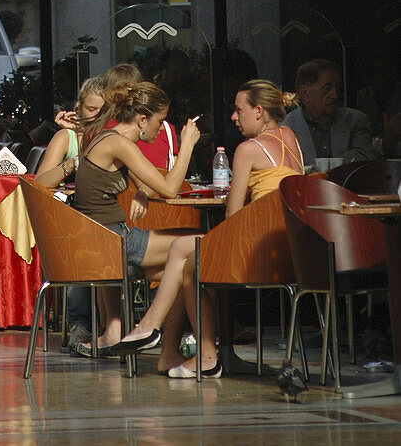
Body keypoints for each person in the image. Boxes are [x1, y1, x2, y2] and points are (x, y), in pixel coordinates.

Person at [115, 80, 304, 377]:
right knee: (187, 261)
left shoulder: (248, 149)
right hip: (287, 248)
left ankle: (161, 332)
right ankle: (177, 349)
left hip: (256, 251)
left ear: (258, 111)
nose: (233, 117)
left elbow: (233, 215)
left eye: (238, 109)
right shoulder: (291, 137)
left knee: (183, 252)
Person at [70, 78, 200, 356]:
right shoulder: (121, 144)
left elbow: (148, 180)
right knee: (198, 243)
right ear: (142, 120)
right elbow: (168, 188)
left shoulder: (107, 138)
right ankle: (150, 328)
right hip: (114, 240)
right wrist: (187, 145)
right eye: (158, 121)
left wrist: (141, 191)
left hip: (101, 236)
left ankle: (125, 336)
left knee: (176, 271)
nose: (160, 128)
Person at [36, 75, 107, 349]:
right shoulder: (66, 138)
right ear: (78, 109)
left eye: (103, 111)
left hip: (107, 215)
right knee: (83, 238)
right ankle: (81, 322)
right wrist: (75, 163)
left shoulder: (118, 138)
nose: (97, 116)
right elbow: (40, 182)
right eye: (91, 110)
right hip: (75, 219)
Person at [283, 59, 374, 164]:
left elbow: (363, 159)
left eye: (337, 87)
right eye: (327, 88)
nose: (334, 95)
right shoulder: (285, 128)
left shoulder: (355, 121)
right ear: (305, 93)